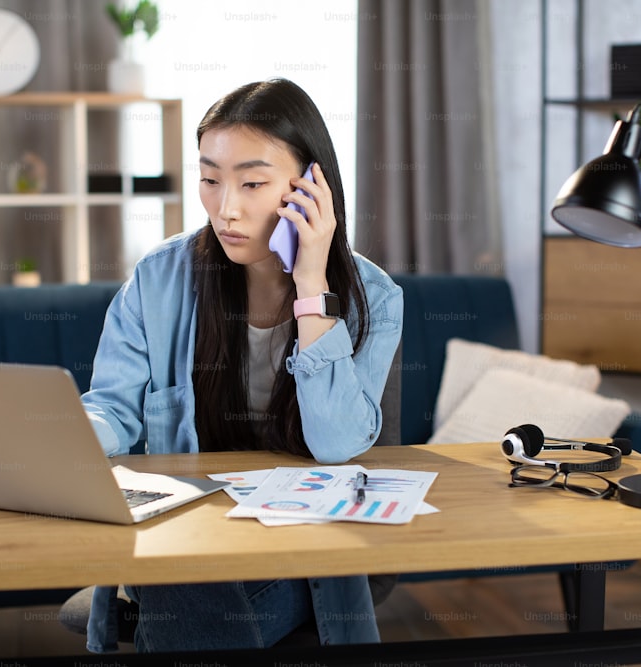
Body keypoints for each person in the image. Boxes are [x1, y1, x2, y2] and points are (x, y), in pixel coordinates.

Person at [81, 78, 403, 653]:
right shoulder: (160, 278)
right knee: (180, 578)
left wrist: (310, 284)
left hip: (308, 548)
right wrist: (63, 438)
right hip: (189, 530)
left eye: (252, 182)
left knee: (174, 595)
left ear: (312, 186)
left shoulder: (373, 298)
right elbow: (111, 407)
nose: (225, 209)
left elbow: (334, 443)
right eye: (209, 180)